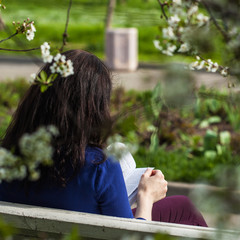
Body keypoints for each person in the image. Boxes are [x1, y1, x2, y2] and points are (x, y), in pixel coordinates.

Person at [0, 49, 207, 226]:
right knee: (184, 207)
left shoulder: (8, 158)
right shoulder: (99, 165)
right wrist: (146, 196)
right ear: (94, 108)